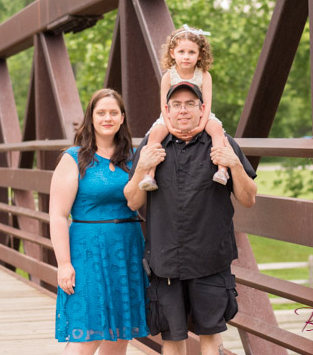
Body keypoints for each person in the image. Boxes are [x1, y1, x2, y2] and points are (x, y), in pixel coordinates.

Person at [124, 82, 257, 355]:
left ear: (202, 109)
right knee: (172, 338)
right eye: (176, 105)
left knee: (210, 335)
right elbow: (133, 201)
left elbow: (248, 198)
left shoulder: (222, 143)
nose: (183, 110)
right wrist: (142, 168)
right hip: (165, 261)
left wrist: (233, 164)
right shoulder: (152, 145)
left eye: (190, 104)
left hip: (210, 259)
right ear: (167, 110)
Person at [49, 88, 149, 354]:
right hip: (88, 252)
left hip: (127, 250)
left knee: (118, 335)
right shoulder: (74, 158)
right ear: (91, 118)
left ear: (122, 118)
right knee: (87, 334)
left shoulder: (135, 157)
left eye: (113, 113)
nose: (107, 118)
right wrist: (64, 264)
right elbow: (58, 215)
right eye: (101, 112)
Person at [138, 24, 229, 192]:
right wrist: (170, 126)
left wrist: (201, 126)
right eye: (181, 52)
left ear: (200, 55)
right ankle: (149, 174)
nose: (186, 57)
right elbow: (164, 105)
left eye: (191, 52)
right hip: (171, 115)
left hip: (201, 113)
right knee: (155, 134)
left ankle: (222, 170)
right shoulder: (168, 76)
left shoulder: (204, 75)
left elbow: (207, 103)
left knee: (217, 129)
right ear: (172, 53)